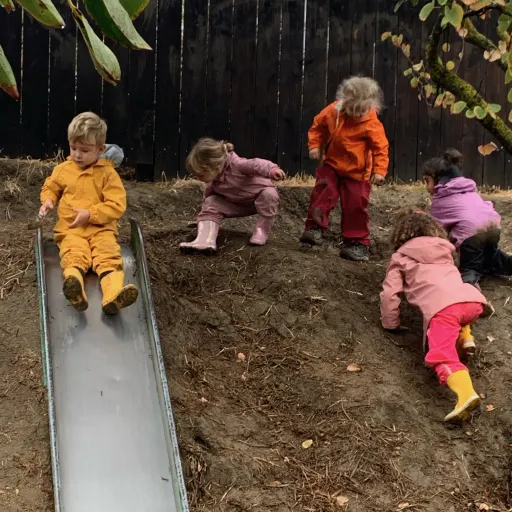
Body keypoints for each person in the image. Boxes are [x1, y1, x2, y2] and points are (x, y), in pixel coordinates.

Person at [380, 208, 487, 423]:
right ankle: (466, 337)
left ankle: (466, 394)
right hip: (473, 301)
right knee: (458, 312)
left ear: (400, 235)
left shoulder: (400, 258)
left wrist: (390, 323)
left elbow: (390, 294)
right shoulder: (444, 250)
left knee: (441, 355)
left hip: (444, 310)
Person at [39, 112, 138, 315]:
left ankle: (113, 296)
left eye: (84, 150)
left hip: (101, 229)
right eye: (73, 148)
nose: (77, 154)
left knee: (108, 255)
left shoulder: (108, 174)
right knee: (74, 253)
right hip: (71, 229)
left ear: (100, 149)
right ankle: (74, 287)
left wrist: (91, 214)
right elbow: (51, 187)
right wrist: (48, 200)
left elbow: (116, 204)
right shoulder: (63, 170)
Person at [300, 76, 389, 261]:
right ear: (343, 101)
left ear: (371, 106)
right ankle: (314, 228)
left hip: (357, 173)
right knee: (323, 191)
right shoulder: (333, 111)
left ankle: (357, 243)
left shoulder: (372, 124)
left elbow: (380, 148)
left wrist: (379, 171)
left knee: (355, 206)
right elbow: (317, 126)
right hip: (332, 164)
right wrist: (315, 146)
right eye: (353, 110)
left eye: (361, 111)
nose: (357, 115)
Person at [179, 137, 285, 254]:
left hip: (257, 201)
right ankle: (205, 240)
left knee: (269, 194)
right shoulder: (214, 180)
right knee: (211, 201)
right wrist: (203, 219)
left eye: (200, 175)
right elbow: (208, 201)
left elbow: (257, 164)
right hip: (235, 205)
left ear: (216, 168)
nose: (198, 178)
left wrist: (272, 170)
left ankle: (261, 231)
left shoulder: (238, 165)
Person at [424, 148, 508, 287]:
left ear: (439, 180)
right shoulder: (468, 189)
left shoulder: (440, 200)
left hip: (471, 235)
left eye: (427, 181)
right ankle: (504, 265)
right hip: (494, 226)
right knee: (491, 257)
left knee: (470, 268)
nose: (426, 187)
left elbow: (436, 229)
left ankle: (472, 290)